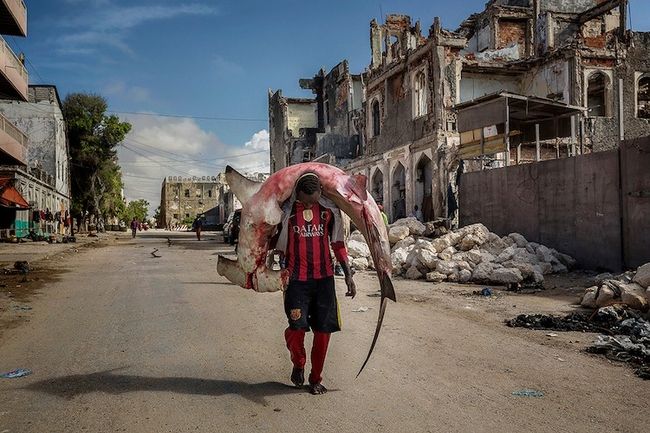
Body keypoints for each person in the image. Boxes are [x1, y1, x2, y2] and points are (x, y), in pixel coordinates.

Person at [273, 172, 356, 395]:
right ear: (297, 194)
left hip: (324, 281)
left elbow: (338, 243)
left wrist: (348, 274)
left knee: (323, 332)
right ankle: (299, 362)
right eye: (304, 200)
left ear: (320, 193)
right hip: (296, 281)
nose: (309, 204)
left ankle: (316, 378)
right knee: (296, 330)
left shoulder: (329, 212)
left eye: (313, 199)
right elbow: (272, 239)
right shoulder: (287, 214)